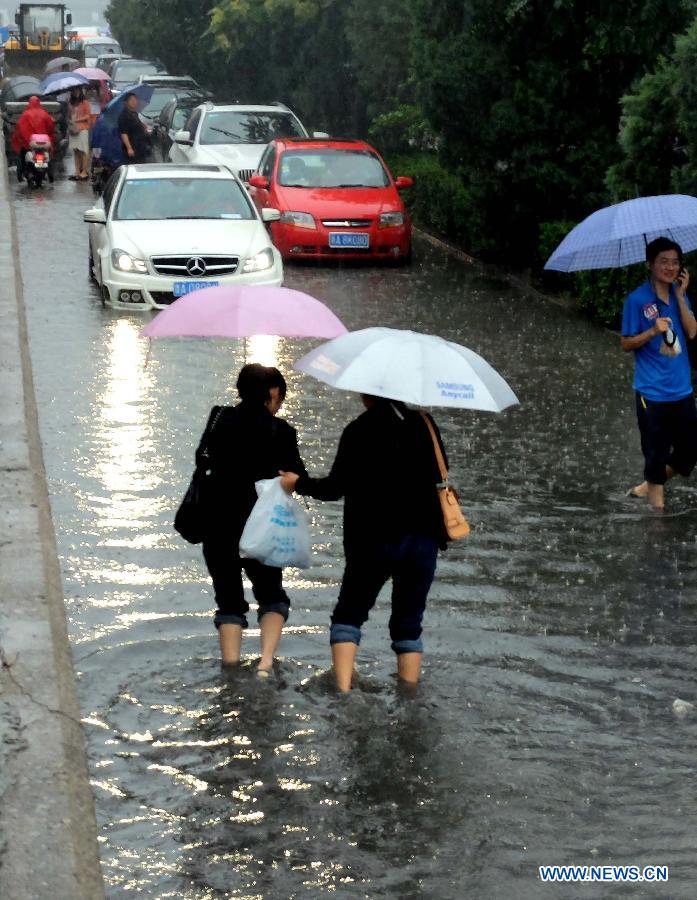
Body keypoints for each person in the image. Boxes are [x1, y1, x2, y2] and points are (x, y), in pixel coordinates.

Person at [280, 395, 449, 692]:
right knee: (408, 623)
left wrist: (298, 484)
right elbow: (440, 473)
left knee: (349, 615)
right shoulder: (425, 423)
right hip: (423, 538)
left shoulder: (359, 429)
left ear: (367, 392)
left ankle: (343, 690)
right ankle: (408, 694)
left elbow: (335, 487)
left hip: (373, 538)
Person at [196, 364, 307, 673]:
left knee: (229, 600)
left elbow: (201, 459)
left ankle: (230, 668)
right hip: (263, 527)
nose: (280, 404)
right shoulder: (281, 431)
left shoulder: (219, 418)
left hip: (217, 525)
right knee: (271, 594)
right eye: (280, 397)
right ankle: (265, 663)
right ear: (272, 394)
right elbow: (297, 475)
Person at [622, 236, 697, 509]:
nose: (670, 267)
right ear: (650, 264)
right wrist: (653, 331)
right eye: (663, 261)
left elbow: (692, 331)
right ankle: (657, 525)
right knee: (655, 455)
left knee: (689, 453)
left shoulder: (680, 294)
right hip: (652, 393)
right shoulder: (637, 300)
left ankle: (650, 483)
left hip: (682, 390)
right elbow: (626, 343)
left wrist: (680, 297)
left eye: (675, 262)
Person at [11, 95, 55, 179]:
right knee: (48, 155)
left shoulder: (25, 114)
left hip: (30, 143)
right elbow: (51, 127)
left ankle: (23, 173)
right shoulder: (44, 113)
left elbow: (20, 128)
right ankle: (49, 172)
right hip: (44, 143)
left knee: (22, 155)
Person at [118, 92, 150, 164]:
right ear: (126, 102)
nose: (134, 102)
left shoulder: (134, 113)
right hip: (132, 146)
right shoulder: (124, 116)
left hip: (140, 146)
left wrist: (143, 126)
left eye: (135, 100)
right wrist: (129, 148)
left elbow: (137, 124)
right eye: (131, 100)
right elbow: (124, 134)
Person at [67, 87, 92, 180]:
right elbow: (69, 115)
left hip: (83, 129)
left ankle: (84, 171)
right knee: (76, 150)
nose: (75, 92)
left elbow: (88, 115)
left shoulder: (85, 102)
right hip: (73, 129)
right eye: (73, 90)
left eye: (77, 90)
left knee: (83, 150)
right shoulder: (70, 102)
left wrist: (77, 119)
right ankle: (77, 170)